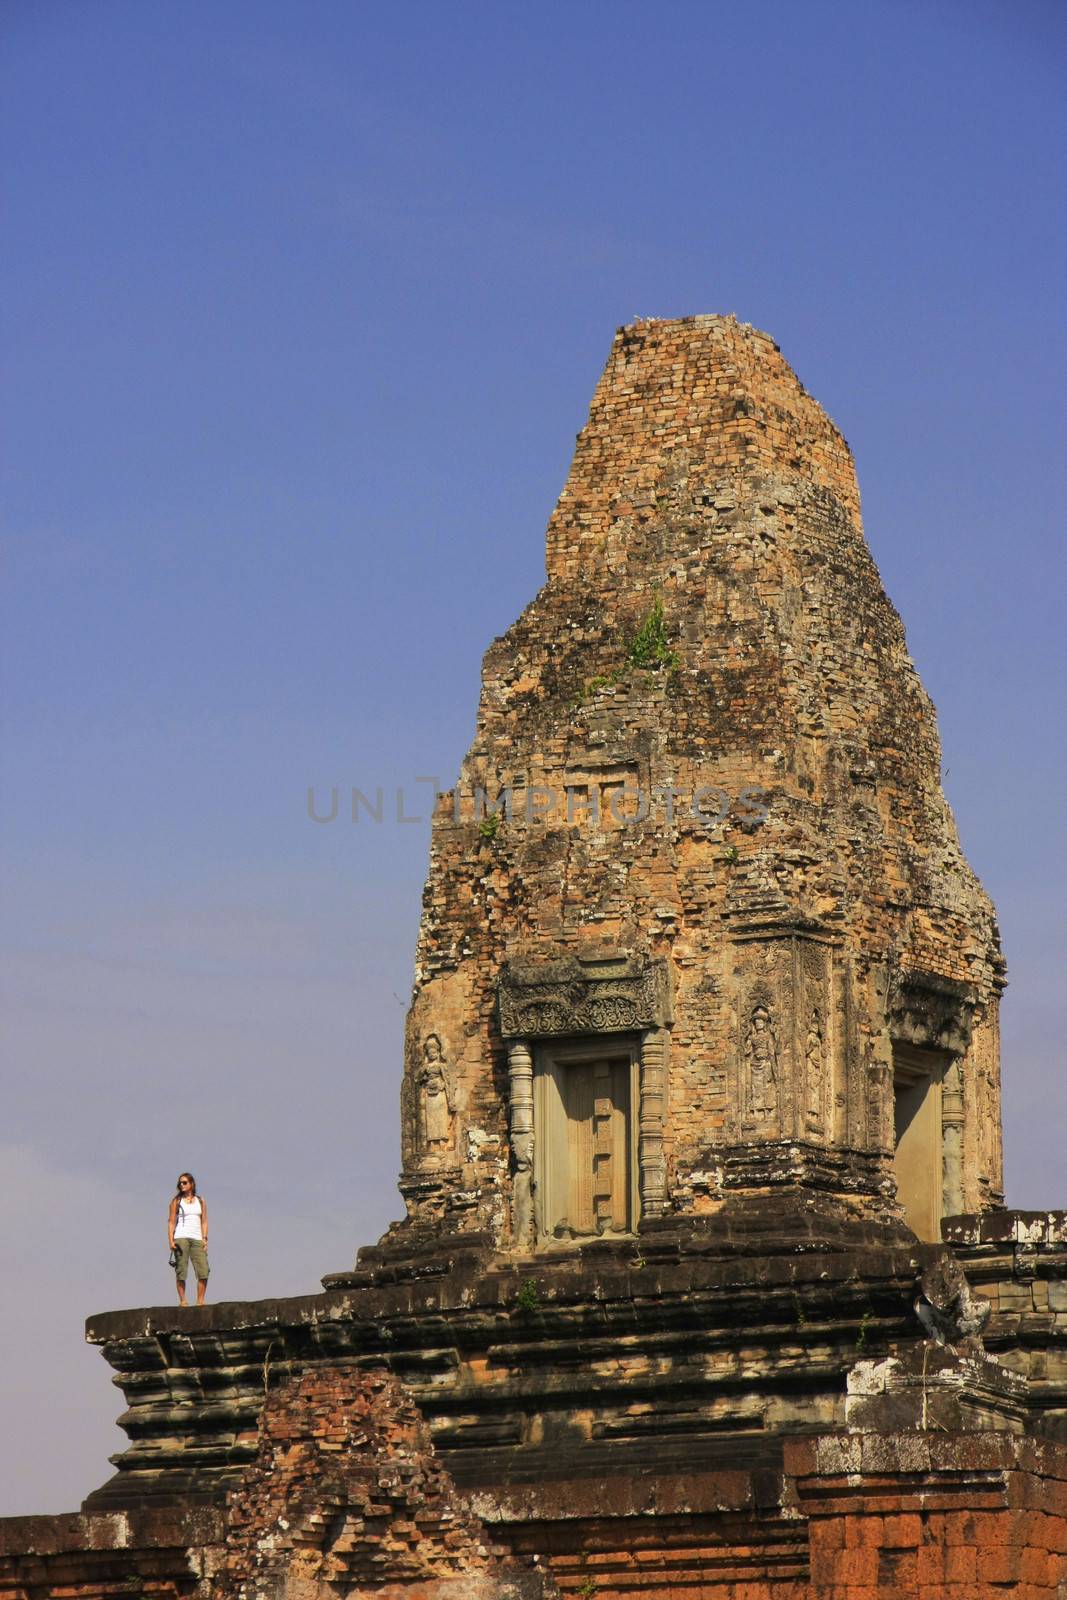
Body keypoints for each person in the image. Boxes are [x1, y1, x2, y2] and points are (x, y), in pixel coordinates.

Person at [168, 1171, 209, 1305]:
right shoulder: (176, 1201)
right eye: (180, 1183)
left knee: (203, 1270)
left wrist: (204, 1239)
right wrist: (171, 1240)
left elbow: (204, 1221)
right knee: (181, 1270)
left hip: (197, 1238)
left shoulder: (200, 1201)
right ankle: (183, 1300)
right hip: (181, 1237)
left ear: (191, 1184)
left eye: (184, 1182)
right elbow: (171, 1221)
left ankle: (200, 1301)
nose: (182, 1185)